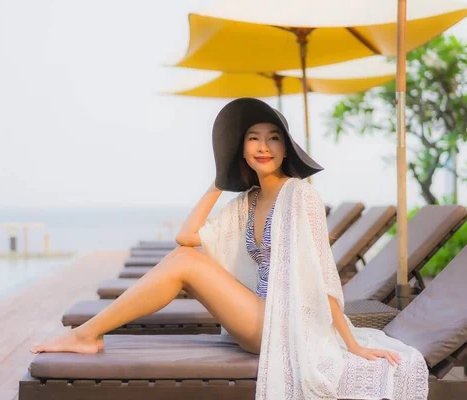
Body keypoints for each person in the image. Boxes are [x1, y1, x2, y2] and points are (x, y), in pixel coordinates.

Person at [31, 98, 428, 399]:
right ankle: (86, 334)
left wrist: (352, 343)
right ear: (241, 150)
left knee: (186, 263)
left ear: (286, 149)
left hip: (290, 326)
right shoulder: (248, 202)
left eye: (274, 138)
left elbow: (323, 276)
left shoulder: (299, 196)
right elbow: (187, 237)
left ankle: (86, 334)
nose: (263, 146)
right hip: (254, 321)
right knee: (185, 257)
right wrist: (220, 179)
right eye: (253, 138)